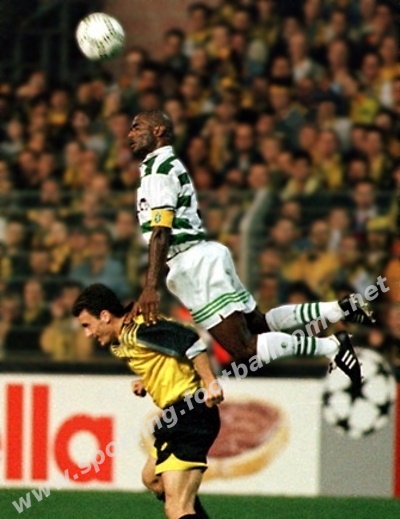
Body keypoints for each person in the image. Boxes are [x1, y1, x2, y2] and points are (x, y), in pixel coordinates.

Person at [126, 110, 376, 389]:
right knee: (259, 325)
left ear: (158, 130)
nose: (130, 134)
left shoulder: (159, 171)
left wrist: (150, 286)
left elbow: (161, 231)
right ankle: (338, 308)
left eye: (137, 127)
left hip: (192, 264)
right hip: (204, 255)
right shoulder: (162, 166)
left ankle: (333, 347)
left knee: (244, 349)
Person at [72, 283, 222, 519]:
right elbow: (166, 357)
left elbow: (191, 341)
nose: (87, 334)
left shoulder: (139, 331)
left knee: (177, 508)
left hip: (191, 413)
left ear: (105, 316)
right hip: (178, 415)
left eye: (87, 325)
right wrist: (148, 380)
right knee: (152, 479)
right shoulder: (125, 338)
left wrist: (210, 381)